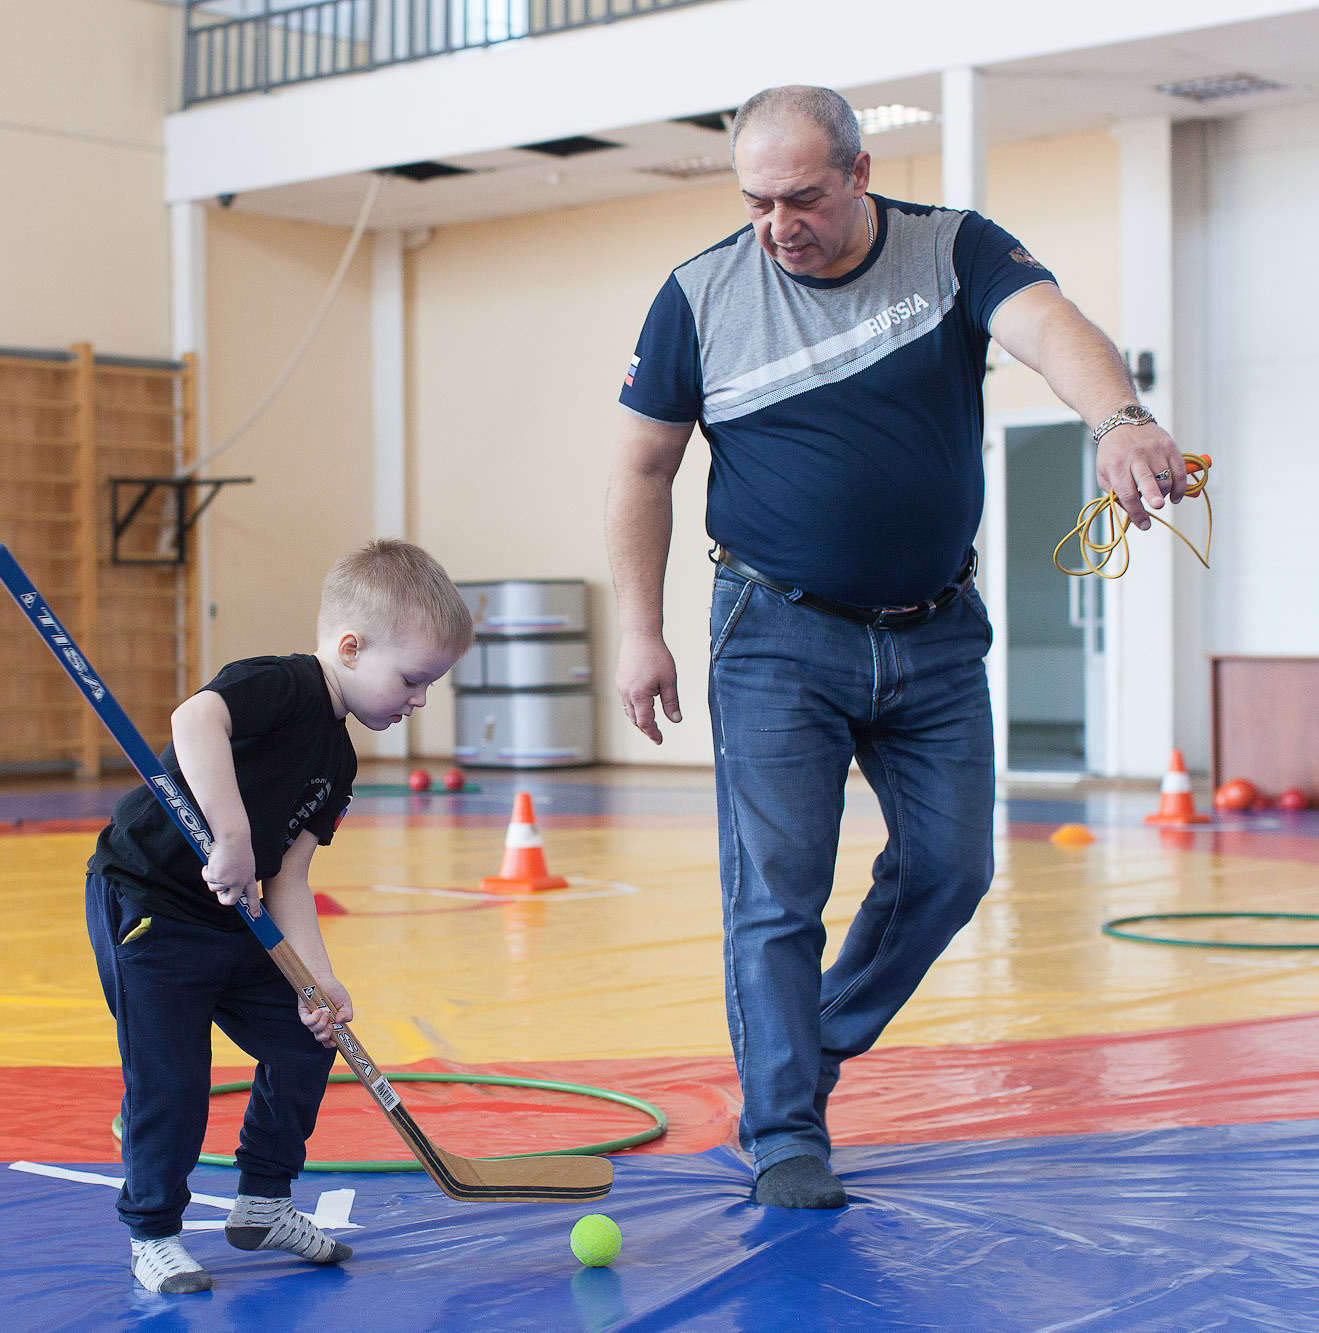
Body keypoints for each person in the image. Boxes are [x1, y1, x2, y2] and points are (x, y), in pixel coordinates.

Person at [605, 85, 1187, 1210]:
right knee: (776, 894)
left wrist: (1119, 420)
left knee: (952, 868)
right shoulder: (699, 295)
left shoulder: (951, 251)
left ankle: (804, 1039)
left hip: (934, 634)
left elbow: (1050, 326)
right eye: (757, 202)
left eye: (803, 198)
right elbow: (641, 469)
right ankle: (784, 1127)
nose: (779, 226)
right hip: (773, 634)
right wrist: (640, 630)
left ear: (860, 172)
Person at [85, 538, 474, 1293]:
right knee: (173, 1079)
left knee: (306, 1038)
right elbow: (194, 719)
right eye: (412, 680)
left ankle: (263, 1199)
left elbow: (289, 873)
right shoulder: (284, 683)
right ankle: (154, 1232)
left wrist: (316, 981)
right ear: (352, 648)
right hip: (150, 904)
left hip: (233, 918)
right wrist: (231, 836)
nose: (419, 700)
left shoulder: (340, 760)